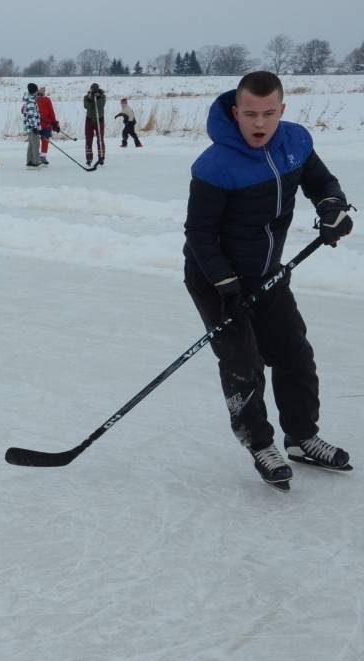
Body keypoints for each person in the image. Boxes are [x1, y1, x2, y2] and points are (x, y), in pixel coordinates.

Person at [183, 71, 354, 490]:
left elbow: (321, 183)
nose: (259, 124)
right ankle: (261, 443)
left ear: (282, 110)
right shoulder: (215, 165)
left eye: (268, 113)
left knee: (293, 352)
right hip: (215, 276)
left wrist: (332, 208)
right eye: (250, 114)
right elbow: (200, 234)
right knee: (243, 363)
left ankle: (301, 437)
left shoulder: (295, 143)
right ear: (235, 111)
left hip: (268, 271)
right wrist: (226, 284)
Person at [83, 83, 107, 166]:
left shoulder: (102, 96)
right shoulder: (86, 97)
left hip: (99, 119)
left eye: (95, 90)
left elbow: (101, 105)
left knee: (100, 139)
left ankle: (101, 157)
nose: (93, 91)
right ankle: (89, 158)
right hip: (89, 120)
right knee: (88, 139)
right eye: (92, 89)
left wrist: (98, 97)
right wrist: (90, 98)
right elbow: (86, 106)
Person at [35, 86, 60, 165]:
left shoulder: (46, 100)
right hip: (38, 124)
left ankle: (42, 156)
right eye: (40, 91)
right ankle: (38, 156)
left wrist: (54, 122)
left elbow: (51, 112)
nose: (41, 92)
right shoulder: (34, 100)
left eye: (43, 91)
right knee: (38, 141)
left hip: (46, 124)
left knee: (44, 140)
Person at [21, 83, 43, 169]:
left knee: (31, 144)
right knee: (36, 144)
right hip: (32, 127)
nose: (37, 92)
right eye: (36, 91)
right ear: (34, 91)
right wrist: (35, 127)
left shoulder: (31, 100)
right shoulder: (30, 102)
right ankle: (36, 161)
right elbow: (31, 116)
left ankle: (29, 161)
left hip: (30, 127)